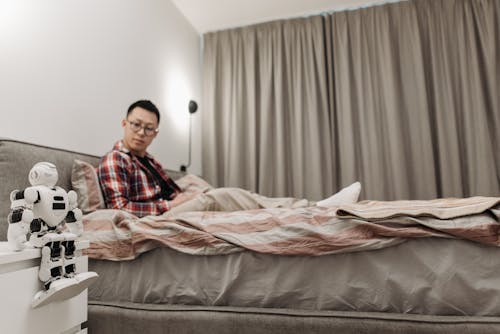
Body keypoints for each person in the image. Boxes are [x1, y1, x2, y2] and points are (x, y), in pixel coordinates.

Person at [98, 100, 361, 218]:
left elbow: (174, 192)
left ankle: (313, 206)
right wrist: (169, 206)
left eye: (149, 129)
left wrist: (189, 194)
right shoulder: (116, 160)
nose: (141, 133)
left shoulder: (150, 161)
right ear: (124, 123)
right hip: (155, 217)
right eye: (136, 125)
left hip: (170, 207)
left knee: (227, 194)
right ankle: (314, 208)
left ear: (156, 133)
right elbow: (119, 210)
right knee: (221, 197)